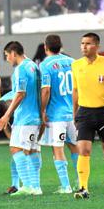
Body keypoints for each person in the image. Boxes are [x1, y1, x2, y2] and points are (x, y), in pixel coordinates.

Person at [71, 33, 104, 199]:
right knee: (83, 151)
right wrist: (74, 112)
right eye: (82, 43)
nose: (83, 47)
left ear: (97, 46)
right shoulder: (76, 65)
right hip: (84, 113)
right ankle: (83, 188)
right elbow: (76, 91)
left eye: (88, 44)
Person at [0, 41, 43, 196]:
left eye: (7, 55)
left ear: (13, 53)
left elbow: (20, 94)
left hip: (25, 117)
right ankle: (35, 186)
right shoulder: (34, 66)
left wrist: (7, 115)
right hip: (35, 116)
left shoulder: (20, 70)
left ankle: (28, 186)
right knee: (33, 150)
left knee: (16, 148)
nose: (7, 59)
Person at [39, 35, 79, 194]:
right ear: (60, 46)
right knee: (75, 147)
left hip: (56, 115)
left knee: (58, 148)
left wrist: (42, 110)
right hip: (72, 113)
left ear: (45, 47)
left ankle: (66, 186)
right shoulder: (72, 62)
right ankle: (80, 182)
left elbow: (46, 90)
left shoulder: (45, 65)